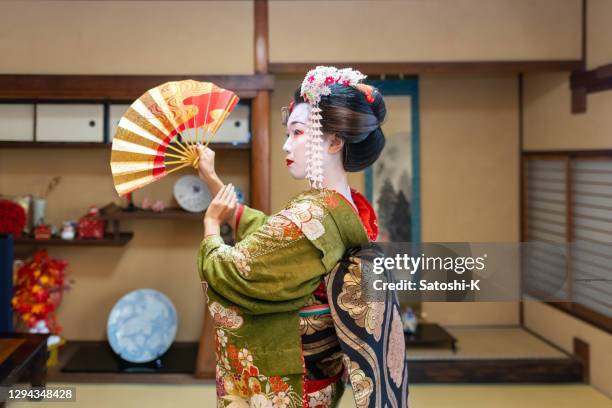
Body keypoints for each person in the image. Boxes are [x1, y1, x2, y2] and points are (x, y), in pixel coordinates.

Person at [196, 66, 409, 408]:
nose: (285, 144)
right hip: (319, 377)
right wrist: (212, 180)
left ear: (335, 141)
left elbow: (235, 270)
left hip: (285, 379)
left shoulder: (308, 218)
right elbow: (271, 236)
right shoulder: (346, 206)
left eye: (297, 132)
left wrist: (210, 226)